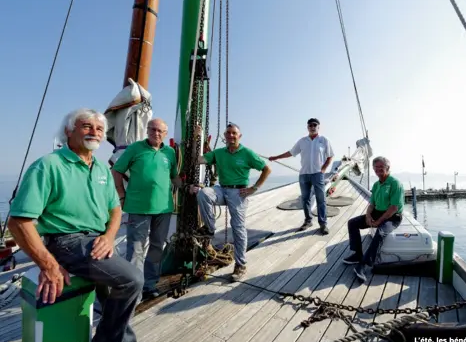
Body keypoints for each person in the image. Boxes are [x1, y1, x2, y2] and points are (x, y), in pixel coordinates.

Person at [7, 108, 158, 342]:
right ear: (69, 131)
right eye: (86, 126)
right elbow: (19, 222)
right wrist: (48, 264)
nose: (95, 132)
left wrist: (110, 236)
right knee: (133, 280)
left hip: (97, 242)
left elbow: (114, 210)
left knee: (119, 297)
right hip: (66, 242)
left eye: (99, 129)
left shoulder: (101, 168)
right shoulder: (49, 166)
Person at [189, 122, 271, 281]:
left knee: (238, 228)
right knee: (203, 193)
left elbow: (267, 169)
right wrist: (197, 138)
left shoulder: (247, 153)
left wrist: (254, 188)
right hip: (222, 188)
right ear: (224, 136)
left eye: (234, 133)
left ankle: (240, 264)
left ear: (239, 136)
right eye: (228, 133)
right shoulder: (219, 153)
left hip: (238, 192)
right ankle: (210, 229)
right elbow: (198, 160)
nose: (231, 135)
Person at [112, 118, 181, 301]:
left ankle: (149, 285)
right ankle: (133, 290)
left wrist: (189, 186)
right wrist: (121, 194)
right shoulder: (135, 148)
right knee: (136, 249)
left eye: (160, 131)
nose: (155, 133)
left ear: (165, 134)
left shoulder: (170, 153)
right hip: (138, 207)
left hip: (164, 209)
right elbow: (117, 170)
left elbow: (174, 177)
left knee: (157, 247)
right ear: (147, 130)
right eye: (152, 129)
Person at [343, 156, 404, 282]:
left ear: (387, 168)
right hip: (377, 212)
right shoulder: (376, 185)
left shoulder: (395, 183)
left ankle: (364, 264)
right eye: (375, 167)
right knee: (352, 223)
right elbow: (371, 204)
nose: (378, 169)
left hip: (393, 216)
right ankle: (357, 254)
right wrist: (368, 216)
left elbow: (393, 208)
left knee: (380, 232)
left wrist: (378, 221)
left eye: (381, 167)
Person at [268, 118, 334, 235]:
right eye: (310, 125)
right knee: (305, 199)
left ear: (318, 127)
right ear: (307, 127)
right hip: (304, 175)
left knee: (321, 199)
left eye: (314, 125)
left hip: (318, 174)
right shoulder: (302, 141)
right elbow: (291, 152)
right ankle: (308, 221)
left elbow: (330, 156)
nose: (312, 127)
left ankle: (323, 224)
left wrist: (323, 169)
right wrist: (276, 157)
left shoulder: (324, 140)